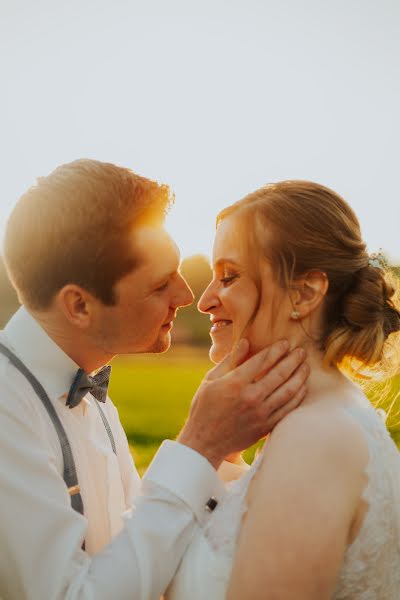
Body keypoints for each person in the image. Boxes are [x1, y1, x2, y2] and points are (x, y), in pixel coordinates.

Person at [0, 160, 309, 600]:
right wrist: (200, 445)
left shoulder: (94, 395)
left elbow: (141, 558)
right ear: (80, 306)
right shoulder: (6, 406)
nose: (188, 296)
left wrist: (224, 451)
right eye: (160, 284)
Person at [166, 180, 400, 599]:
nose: (204, 301)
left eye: (229, 276)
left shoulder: (315, 438)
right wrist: (222, 448)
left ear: (305, 293)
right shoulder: (322, 419)